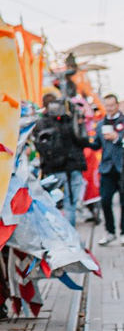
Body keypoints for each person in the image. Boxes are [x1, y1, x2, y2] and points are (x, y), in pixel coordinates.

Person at [32, 93, 90, 227]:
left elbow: (39, 145)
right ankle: (69, 234)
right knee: (70, 205)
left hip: (54, 169)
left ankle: (60, 233)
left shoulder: (42, 123)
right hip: (71, 166)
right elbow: (83, 141)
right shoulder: (69, 120)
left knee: (52, 205)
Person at [91, 93, 124, 245]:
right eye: (107, 106)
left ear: (117, 105)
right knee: (105, 200)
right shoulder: (100, 124)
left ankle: (123, 232)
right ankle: (110, 231)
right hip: (107, 168)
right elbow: (96, 144)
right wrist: (82, 140)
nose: (109, 108)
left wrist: (117, 138)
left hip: (121, 167)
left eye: (112, 105)